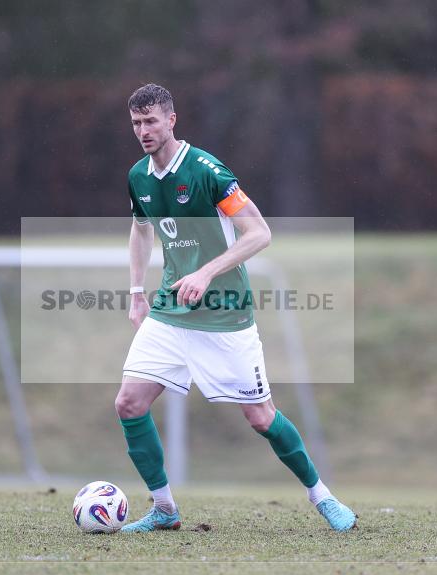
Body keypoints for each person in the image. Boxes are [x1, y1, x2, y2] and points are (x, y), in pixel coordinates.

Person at [117, 83, 356, 533]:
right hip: (171, 310)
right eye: (136, 123)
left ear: (171, 120)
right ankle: (164, 509)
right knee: (129, 402)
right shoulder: (138, 176)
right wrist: (136, 292)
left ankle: (322, 496)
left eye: (151, 121)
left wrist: (206, 273)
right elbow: (140, 228)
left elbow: (259, 232)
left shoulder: (208, 171)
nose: (143, 130)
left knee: (260, 416)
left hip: (225, 314)